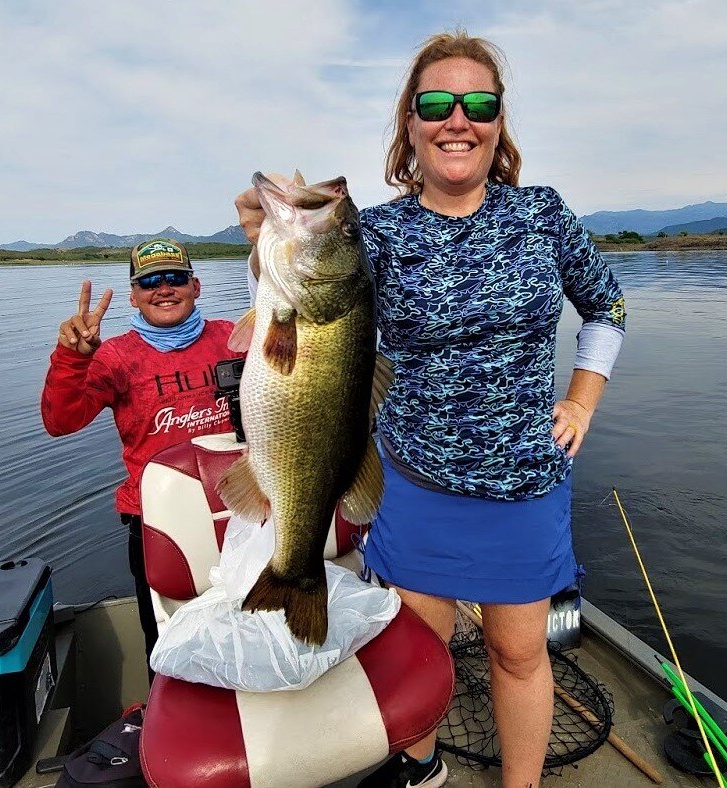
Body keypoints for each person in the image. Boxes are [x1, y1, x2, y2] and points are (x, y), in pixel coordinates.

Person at [235, 31, 626, 788]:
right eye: (435, 103)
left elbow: (605, 306)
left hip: (523, 482)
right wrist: (263, 243)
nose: (458, 119)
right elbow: (305, 304)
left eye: (478, 103)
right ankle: (422, 768)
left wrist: (580, 399)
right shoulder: (375, 231)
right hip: (413, 476)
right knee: (420, 652)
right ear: (409, 126)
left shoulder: (542, 215)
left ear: (498, 122)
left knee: (518, 653)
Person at [40, 238, 241, 661]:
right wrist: (71, 358)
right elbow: (61, 421)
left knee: (254, 620)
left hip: (243, 507)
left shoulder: (233, 337)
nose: (163, 289)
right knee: (168, 642)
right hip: (159, 522)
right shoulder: (114, 356)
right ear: (134, 297)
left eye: (175, 278)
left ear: (196, 286)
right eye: (150, 281)